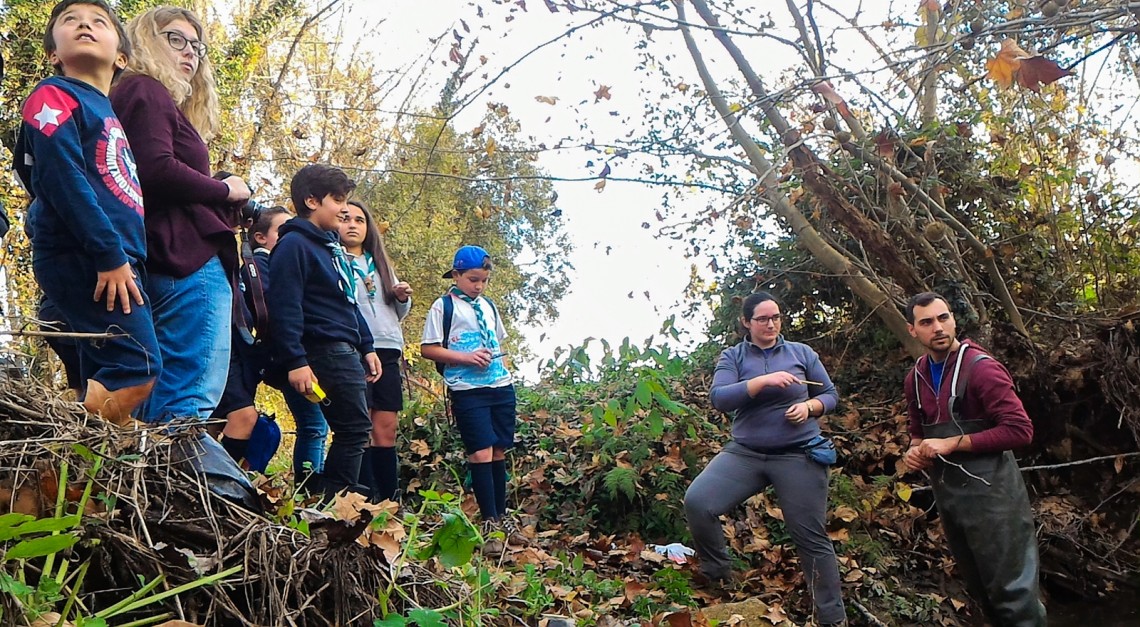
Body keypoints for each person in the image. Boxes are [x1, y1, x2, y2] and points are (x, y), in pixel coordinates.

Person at [13, 0, 160, 426]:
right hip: (89, 256)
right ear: (53, 54)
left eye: (99, 22)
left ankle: (78, 482)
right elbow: (59, 177)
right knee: (140, 364)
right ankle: (69, 454)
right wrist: (108, 255)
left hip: (112, 258)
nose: (84, 25)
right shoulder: (53, 95)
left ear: (122, 57)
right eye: (70, 21)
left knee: (97, 374)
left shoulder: (107, 112)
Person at [111, 6, 250, 422]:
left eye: (196, 45)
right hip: (186, 259)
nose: (189, 52)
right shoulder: (146, 89)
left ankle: (146, 486)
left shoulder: (131, 95)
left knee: (158, 396)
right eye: (175, 39)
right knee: (189, 397)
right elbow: (155, 170)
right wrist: (226, 190)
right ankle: (178, 487)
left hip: (160, 254)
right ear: (143, 42)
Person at [684, 292, 846, 626]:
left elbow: (829, 395)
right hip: (746, 453)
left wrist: (809, 407)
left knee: (811, 538)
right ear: (746, 322)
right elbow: (720, 398)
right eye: (762, 319)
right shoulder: (734, 356)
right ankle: (718, 576)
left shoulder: (801, 353)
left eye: (776, 317)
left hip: (798, 454)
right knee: (698, 502)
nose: (771, 324)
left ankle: (832, 618)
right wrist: (760, 381)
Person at [902, 292, 1046, 627]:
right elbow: (917, 430)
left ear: (953, 319)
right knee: (981, 591)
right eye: (927, 322)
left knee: (1015, 595)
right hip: (950, 497)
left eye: (944, 318)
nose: (938, 327)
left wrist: (955, 442)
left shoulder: (981, 369)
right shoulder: (916, 377)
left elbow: (1020, 431)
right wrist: (915, 451)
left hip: (996, 497)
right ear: (912, 330)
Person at [266, 164, 381, 498]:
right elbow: (284, 307)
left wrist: (368, 346)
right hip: (323, 350)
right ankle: (334, 506)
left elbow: (347, 302)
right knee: (354, 429)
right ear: (312, 201)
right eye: (338, 200)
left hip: (346, 348)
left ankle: (328, 498)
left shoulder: (330, 250)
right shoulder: (294, 246)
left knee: (355, 430)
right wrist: (295, 361)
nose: (344, 209)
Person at [421, 245, 518, 548]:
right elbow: (428, 348)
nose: (478, 286)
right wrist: (465, 357)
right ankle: (489, 521)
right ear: (457, 275)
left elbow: (497, 340)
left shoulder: (488, 305)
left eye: (484, 281)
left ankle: (502, 517)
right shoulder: (444, 307)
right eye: (473, 279)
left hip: (499, 386)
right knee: (480, 451)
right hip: (467, 389)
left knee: (500, 449)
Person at [338, 200, 412, 503]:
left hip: (388, 348)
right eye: (345, 218)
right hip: (354, 349)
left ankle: (390, 501)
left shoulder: (380, 263)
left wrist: (401, 296)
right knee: (362, 425)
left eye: (360, 220)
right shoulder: (333, 259)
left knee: (386, 428)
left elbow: (398, 312)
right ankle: (363, 501)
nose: (353, 225)